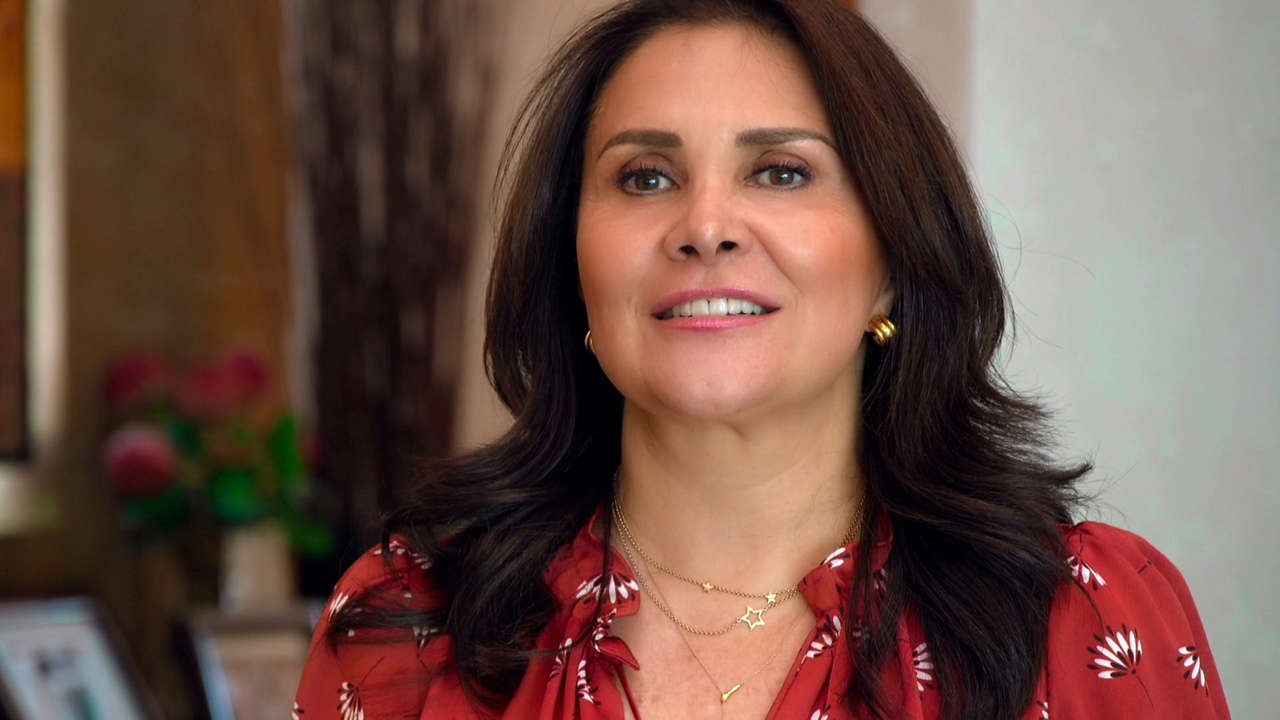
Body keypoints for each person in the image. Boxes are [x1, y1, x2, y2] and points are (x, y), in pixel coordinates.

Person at [293, 1, 1230, 718]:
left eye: (781, 171)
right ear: (569, 263)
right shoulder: (406, 620)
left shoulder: (1090, 615)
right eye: (645, 177)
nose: (705, 226)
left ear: (891, 264)